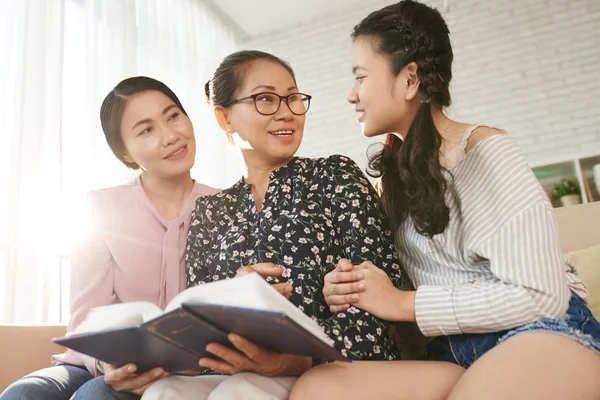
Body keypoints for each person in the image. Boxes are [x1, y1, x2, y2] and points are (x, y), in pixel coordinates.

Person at [289, 1, 600, 399]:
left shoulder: (487, 151)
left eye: (361, 77)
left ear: (409, 79)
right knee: (318, 388)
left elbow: (541, 296)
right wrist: (350, 290)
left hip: (544, 334)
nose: (352, 95)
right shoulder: (396, 181)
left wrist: (402, 303)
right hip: (457, 355)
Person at [142, 50, 460, 400]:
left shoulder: (334, 176)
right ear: (224, 117)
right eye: (266, 98)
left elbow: (381, 315)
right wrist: (229, 299)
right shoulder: (208, 210)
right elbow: (199, 325)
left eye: (293, 98)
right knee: (164, 391)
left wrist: (295, 359)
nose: (287, 112)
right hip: (231, 370)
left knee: (240, 391)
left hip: (333, 368)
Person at [0, 77, 220, 400]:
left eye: (173, 116)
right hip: (97, 363)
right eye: (146, 130)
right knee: (22, 395)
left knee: (96, 397)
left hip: (185, 374)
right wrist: (105, 362)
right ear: (125, 153)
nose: (170, 136)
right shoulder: (100, 208)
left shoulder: (226, 207)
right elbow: (87, 315)